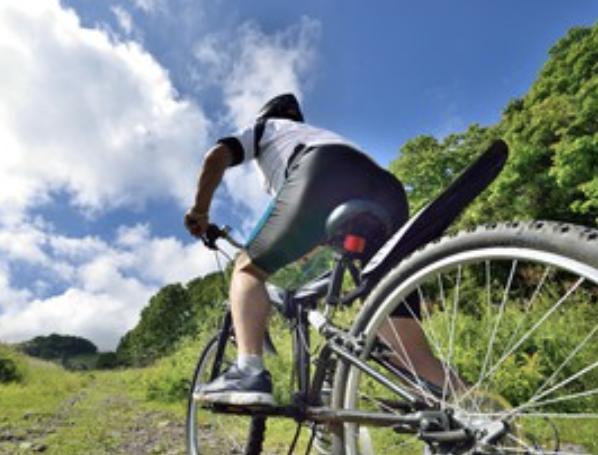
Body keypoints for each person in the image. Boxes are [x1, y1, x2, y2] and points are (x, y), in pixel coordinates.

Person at [184, 93, 457, 407]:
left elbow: (215, 156)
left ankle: (248, 371)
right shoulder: (315, 133)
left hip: (323, 172)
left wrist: (200, 212)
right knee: (408, 348)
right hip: (385, 189)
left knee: (247, 268)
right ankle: (480, 416)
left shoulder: (266, 128)